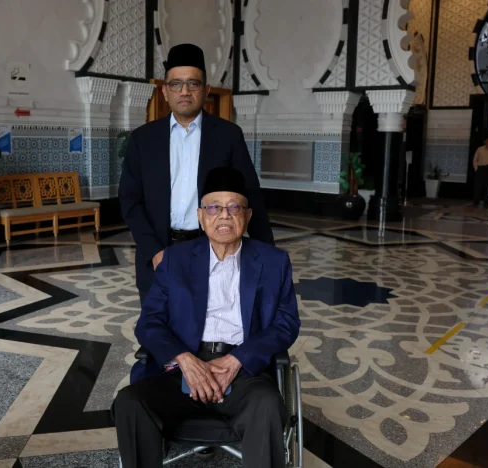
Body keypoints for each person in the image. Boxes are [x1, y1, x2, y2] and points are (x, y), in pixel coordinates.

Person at [112, 167, 300, 468]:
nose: (224, 215)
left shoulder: (273, 261)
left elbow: (286, 323)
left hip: (243, 372)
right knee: (130, 402)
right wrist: (185, 360)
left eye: (234, 207)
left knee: (266, 405)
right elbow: (149, 322)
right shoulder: (175, 259)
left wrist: (237, 360)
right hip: (181, 371)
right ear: (201, 217)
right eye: (214, 208)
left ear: (247, 216)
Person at [118, 43, 273, 304]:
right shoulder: (143, 139)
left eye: (193, 83)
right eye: (176, 84)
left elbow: (251, 196)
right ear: (165, 91)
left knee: (209, 323)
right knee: (161, 325)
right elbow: (130, 200)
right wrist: (154, 251)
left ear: (206, 90)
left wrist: (268, 256)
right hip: (159, 253)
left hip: (214, 252)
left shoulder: (228, 136)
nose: (184, 91)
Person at [473, 136, 488, 209]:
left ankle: (486, 204)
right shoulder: (480, 149)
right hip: (481, 169)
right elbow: (475, 159)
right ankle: (476, 203)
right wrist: (476, 168)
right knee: (478, 187)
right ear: (485, 141)